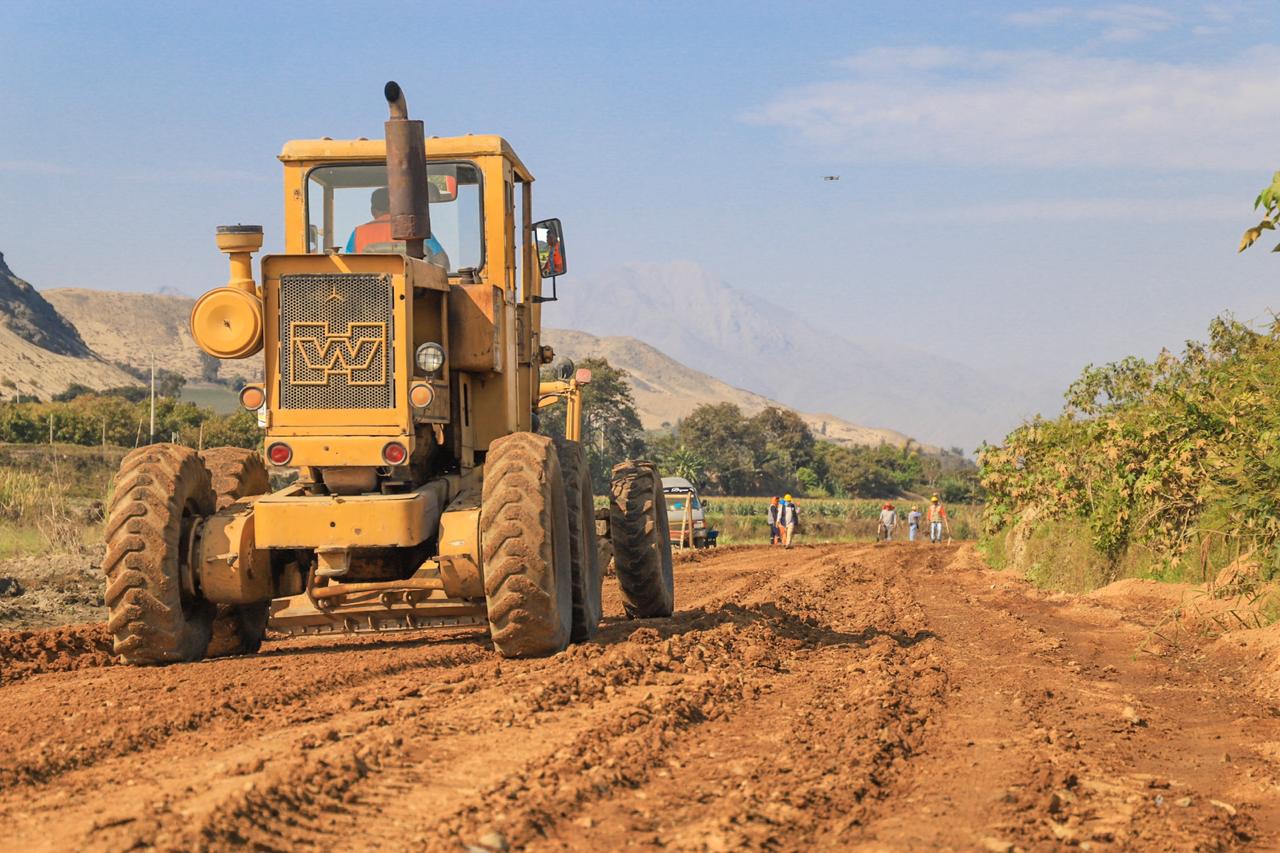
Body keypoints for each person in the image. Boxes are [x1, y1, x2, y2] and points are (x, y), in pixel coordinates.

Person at [346, 187, 449, 267]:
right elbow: (442, 263)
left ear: (373, 210)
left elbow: (347, 266)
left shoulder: (358, 233)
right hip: (415, 292)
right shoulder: (416, 230)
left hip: (369, 292)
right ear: (398, 207)